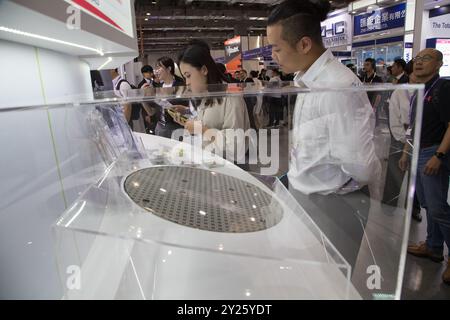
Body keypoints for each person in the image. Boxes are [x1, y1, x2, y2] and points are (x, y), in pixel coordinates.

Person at [267, 0, 380, 267]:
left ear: (304, 44)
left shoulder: (337, 87)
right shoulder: (307, 80)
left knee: (329, 286)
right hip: (307, 199)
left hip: (333, 205)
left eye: (277, 48)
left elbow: (362, 168)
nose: (274, 56)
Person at [402, 49, 450, 285]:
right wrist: (406, 152)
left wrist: (439, 155)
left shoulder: (443, 88)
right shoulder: (419, 93)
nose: (419, 62)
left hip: (433, 152)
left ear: (439, 64)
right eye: (417, 59)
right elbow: (412, 127)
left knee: (439, 207)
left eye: (426, 59)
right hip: (418, 151)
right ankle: (433, 247)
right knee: (428, 204)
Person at [174, 43, 250, 165]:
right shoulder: (205, 95)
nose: (187, 82)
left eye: (188, 76)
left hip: (227, 168)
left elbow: (235, 146)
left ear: (204, 70)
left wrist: (201, 129)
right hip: (208, 162)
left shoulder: (231, 98)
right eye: (185, 78)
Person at [385, 72, 422, 221]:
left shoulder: (426, 92)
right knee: (394, 174)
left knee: (416, 177)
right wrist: (404, 139)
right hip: (399, 138)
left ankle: (414, 208)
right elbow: (394, 119)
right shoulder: (399, 92)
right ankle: (389, 205)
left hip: (421, 140)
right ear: (410, 74)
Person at [152, 57, 186, 138]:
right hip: (160, 127)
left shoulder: (180, 86)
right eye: (156, 68)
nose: (156, 71)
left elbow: (187, 109)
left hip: (176, 127)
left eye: (159, 67)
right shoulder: (158, 87)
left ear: (169, 69)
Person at [110, 68, 145, 132]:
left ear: (112, 69)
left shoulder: (123, 84)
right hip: (119, 122)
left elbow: (128, 107)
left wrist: (124, 125)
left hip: (125, 122)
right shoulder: (115, 84)